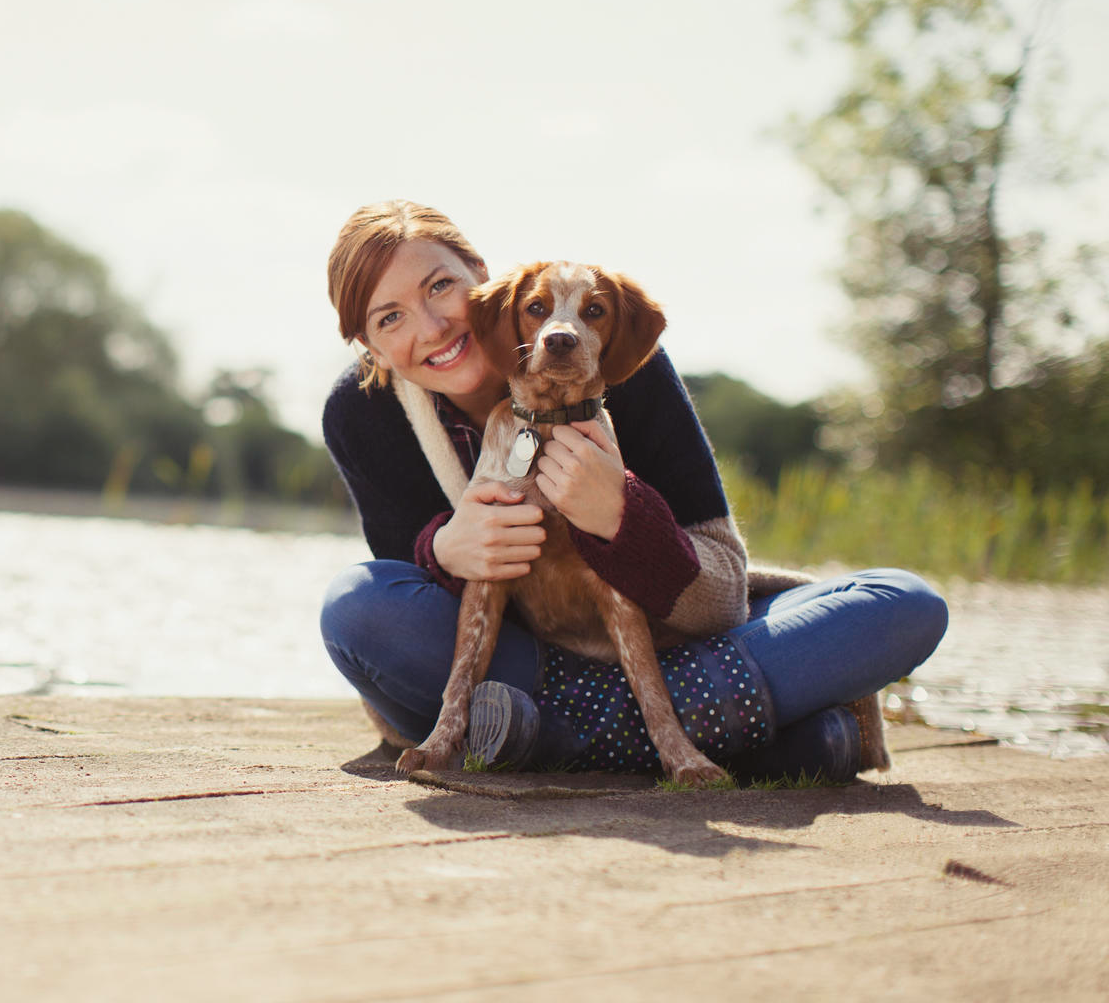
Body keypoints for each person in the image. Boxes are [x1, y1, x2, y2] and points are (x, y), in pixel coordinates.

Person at [318, 200, 948, 781]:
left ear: (480, 276)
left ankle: (560, 737)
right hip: (523, 665)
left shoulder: (616, 354)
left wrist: (622, 515)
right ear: (369, 345)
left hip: (671, 645)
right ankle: (718, 729)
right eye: (390, 317)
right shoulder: (363, 415)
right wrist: (442, 550)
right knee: (356, 608)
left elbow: (723, 600)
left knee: (903, 604)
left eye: (440, 286)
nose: (431, 326)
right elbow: (408, 608)